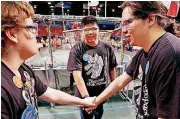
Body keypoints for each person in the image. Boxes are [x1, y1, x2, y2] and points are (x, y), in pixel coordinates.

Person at [86, 1, 180, 119]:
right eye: (122, 24)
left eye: (128, 22)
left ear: (150, 19)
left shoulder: (169, 54)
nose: (123, 30)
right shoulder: (143, 53)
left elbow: (167, 115)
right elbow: (120, 81)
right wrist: (96, 101)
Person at [1, 2, 95, 119]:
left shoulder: (24, 70)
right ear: (12, 34)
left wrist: (84, 101)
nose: (37, 34)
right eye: (31, 28)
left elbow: (51, 94)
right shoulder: (2, 91)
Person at [67, 15, 117, 119]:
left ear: (99, 30)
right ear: (82, 32)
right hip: (85, 95)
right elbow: (77, 76)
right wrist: (86, 98)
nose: (90, 33)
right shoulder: (76, 49)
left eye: (94, 29)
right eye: (86, 30)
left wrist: (113, 86)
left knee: (99, 114)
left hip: (102, 94)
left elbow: (112, 67)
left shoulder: (107, 47)